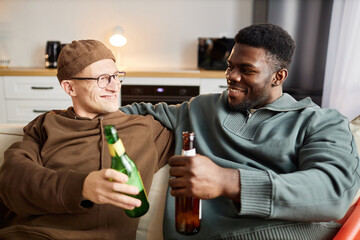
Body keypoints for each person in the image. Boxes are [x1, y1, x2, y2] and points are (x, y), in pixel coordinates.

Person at [121, 23, 360, 239]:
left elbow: (333, 192)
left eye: (247, 70)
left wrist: (227, 181)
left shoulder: (321, 122)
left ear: (278, 76)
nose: (231, 77)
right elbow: (130, 112)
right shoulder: (200, 108)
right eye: (230, 66)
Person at [0, 40, 174, 239]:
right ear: (70, 88)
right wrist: (82, 187)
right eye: (102, 78)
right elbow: (12, 179)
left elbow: (206, 119)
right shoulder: (46, 124)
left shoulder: (145, 128)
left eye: (116, 76)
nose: (114, 86)